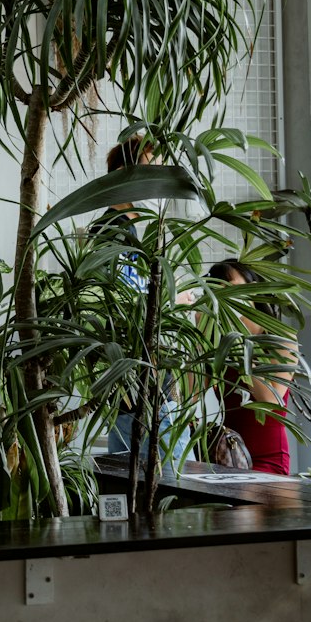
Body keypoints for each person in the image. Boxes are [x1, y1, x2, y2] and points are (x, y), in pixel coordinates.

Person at [91, 136, 191, 466]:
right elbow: (128, 308)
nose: (159, 179)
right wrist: (175, 299)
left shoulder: (132, 233)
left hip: (142, 388)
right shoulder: (113, 233)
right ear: (126, 175)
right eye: (152, 168)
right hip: (144, 388)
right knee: (168, 487)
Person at [206, 259, 296, 475]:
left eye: (232, 288)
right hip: (229, 456)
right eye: (218, 291)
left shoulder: (281, 340)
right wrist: (202, 338)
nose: (227, 296)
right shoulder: (217, 341)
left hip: (269, 458)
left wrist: (237, 347)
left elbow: (271, 399)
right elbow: (190, 396)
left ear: (254, 288)